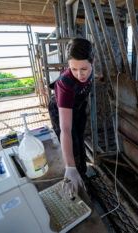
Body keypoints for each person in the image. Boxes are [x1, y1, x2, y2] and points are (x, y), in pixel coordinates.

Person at [48, 38, 94, 197]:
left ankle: (82, 173)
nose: (79, 74)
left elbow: (89, 77)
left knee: (80, 138)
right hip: (61, 108)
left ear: (91, 63)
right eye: (73, 69)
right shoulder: (65, 84)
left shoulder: (91, 71)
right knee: (71, 139)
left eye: (84, 69)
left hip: (79, 107)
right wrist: (70, 167)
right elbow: (65, 128)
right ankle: (75, 177)